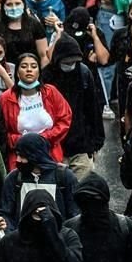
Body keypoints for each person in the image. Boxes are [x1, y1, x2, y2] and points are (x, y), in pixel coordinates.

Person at [42, 34, 105, 179]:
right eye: (66, 62)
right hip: (55, 148)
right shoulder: (47, 76)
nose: (70, 65)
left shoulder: (84, 74)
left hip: (81, 147)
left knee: (81, 188)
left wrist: (96, 142)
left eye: (73, 62)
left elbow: (93, 110)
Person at [0, 53, 71, 169]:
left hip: (50, 155)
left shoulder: (51, 92)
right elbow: (1, 131)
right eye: (24, 66)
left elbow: (65, 119)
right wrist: (21, 141)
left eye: (33, 66)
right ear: (17, 72)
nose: (29, 70)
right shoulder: (5, 98)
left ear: (39, 72)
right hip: (20, 158)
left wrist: (43, 138)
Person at [0, 132, 80, 228]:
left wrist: (65, 235)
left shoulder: (64, 176)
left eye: (23, 156)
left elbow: (74, 213)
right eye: (17, 155)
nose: (18, 160)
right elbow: (5, 213)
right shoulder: (14, 178)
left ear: (35, 155)